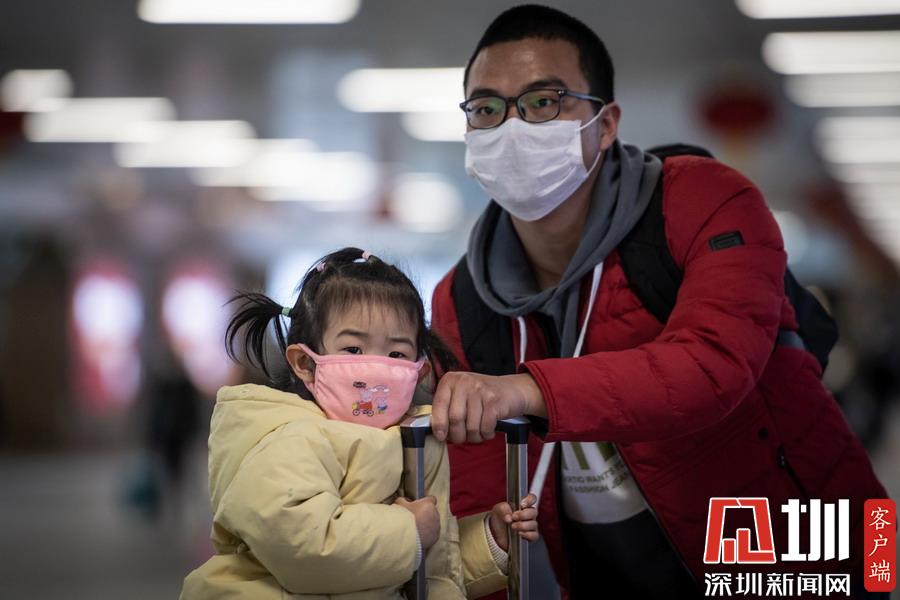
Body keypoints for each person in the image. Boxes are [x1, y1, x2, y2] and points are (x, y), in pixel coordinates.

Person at [428, 5, 888, 598]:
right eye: (487, 109)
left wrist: (525, 390)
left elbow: (713, 364)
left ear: (606, 124)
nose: (513, 127)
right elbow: (476, 494)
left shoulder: (705, 200)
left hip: (804, 551)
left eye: (544, 101)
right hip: (608, 571)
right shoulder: (464, 298)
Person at [180, 247, 538, 600]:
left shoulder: (416, 441)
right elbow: (303, 548)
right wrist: (408, 532)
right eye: (353, 349)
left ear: (418, 372)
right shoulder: (286, 438)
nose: (376, 366)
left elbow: (422, 574)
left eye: (397, 353)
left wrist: (491, 541)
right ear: (305, 363)